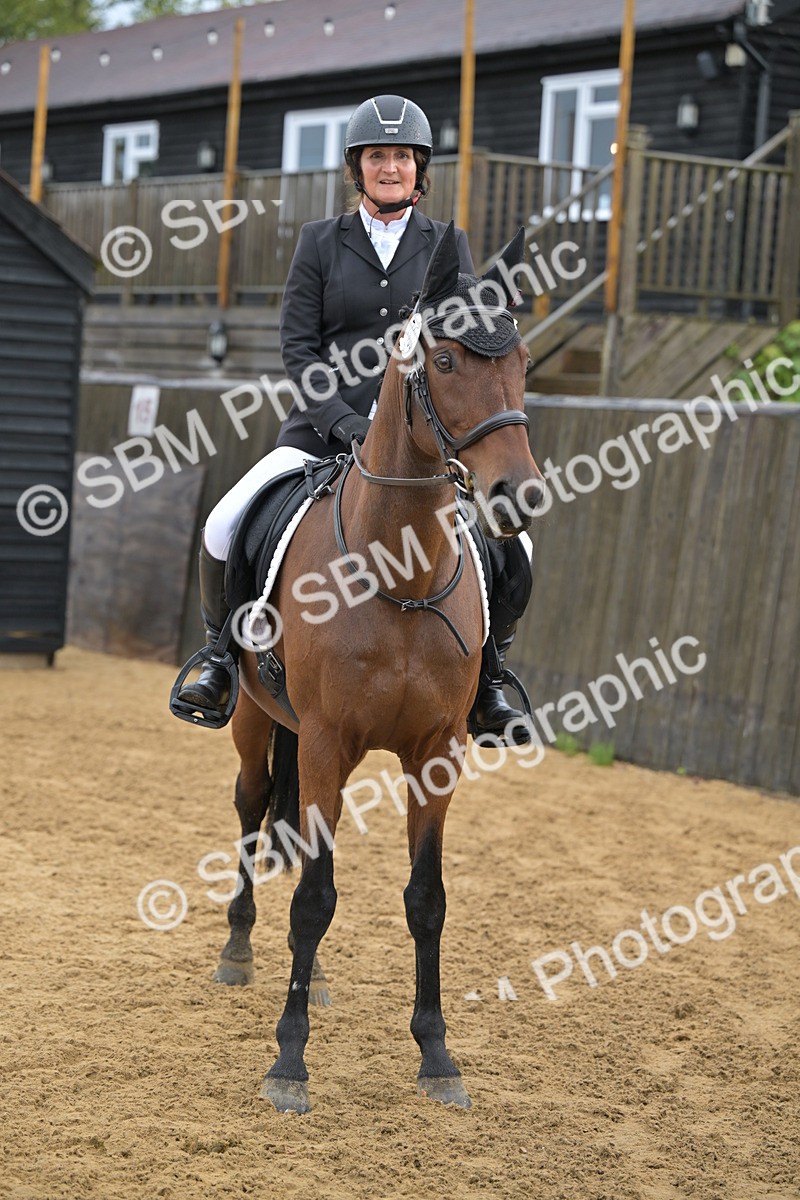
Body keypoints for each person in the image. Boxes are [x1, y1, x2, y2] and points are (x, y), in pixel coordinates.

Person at [174, 95, 532, 739]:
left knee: (516, 544)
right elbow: (299, 349)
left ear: (419, 168)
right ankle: (220, 658)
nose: (390, 167)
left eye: (402, 157)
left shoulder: (447, 245)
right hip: (319, 433)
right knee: (225, 522)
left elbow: (466, 344)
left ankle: (489, 679)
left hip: (420, 448)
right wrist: (342, 422)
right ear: (357, 167)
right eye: (377, 156)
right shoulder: (319, 242)